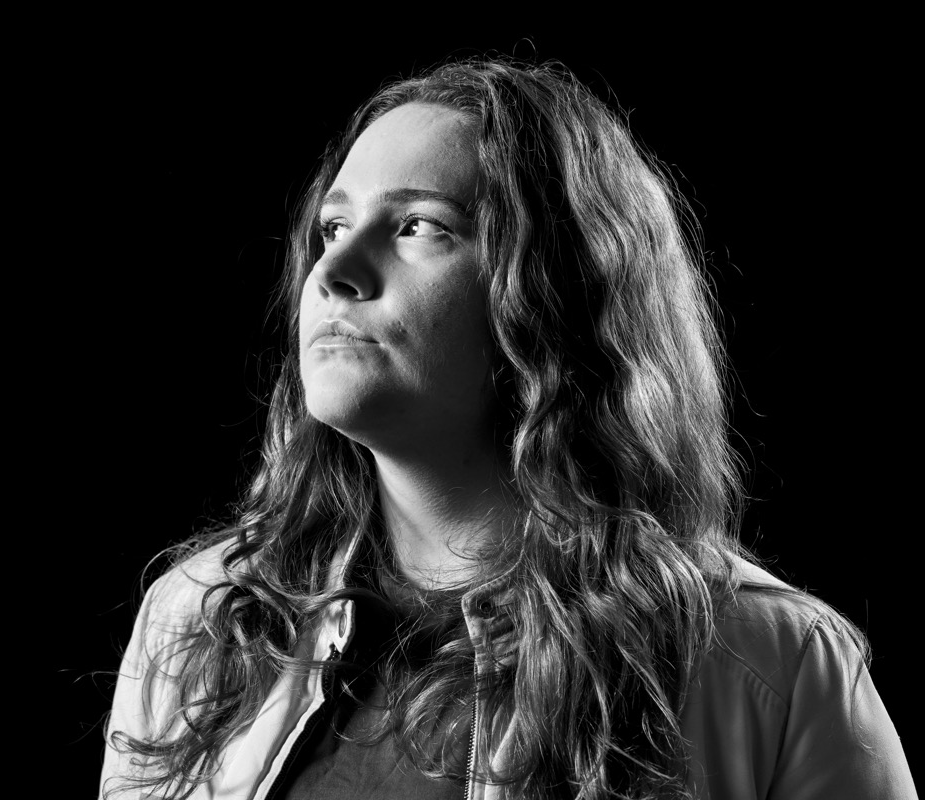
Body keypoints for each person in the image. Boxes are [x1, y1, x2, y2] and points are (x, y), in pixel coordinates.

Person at [99, 58, 915, 799]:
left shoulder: (772, 665)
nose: (334, 274)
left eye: (420, 226)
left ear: (557, 291)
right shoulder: (199, 622)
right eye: (334, 228)